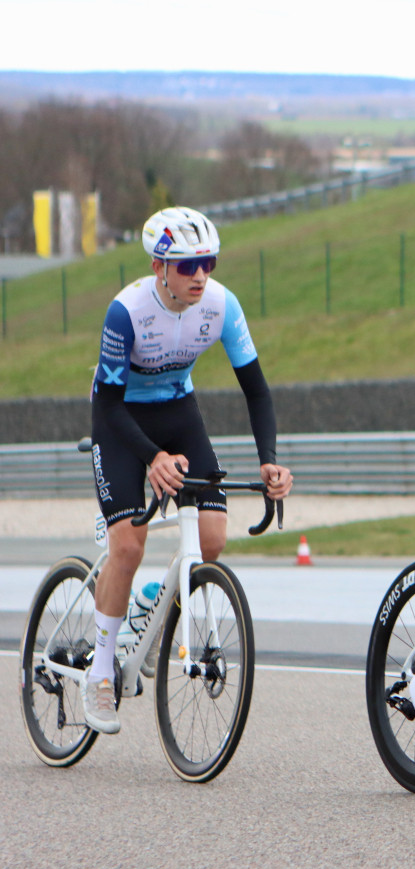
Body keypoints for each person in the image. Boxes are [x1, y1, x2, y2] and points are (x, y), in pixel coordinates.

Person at [84, 206, 293, 734]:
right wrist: (151, 456)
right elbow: (107, 406)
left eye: (209, 262)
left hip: (178, 410)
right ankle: (101, 671)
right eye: (188, 265)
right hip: (122, 418)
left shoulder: (221, 305)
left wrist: (269, 458)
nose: (201, 275)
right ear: (159, 266)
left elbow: (258, 391)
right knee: (128, 546)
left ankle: (153, 603)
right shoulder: (126, 311)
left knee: (213, 539)